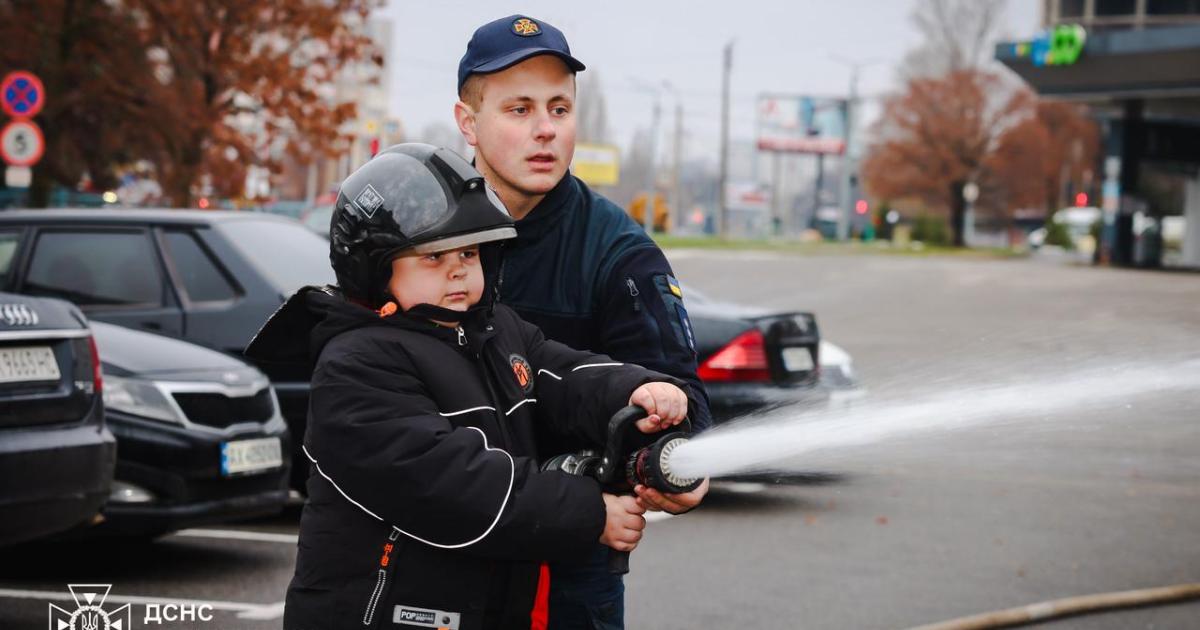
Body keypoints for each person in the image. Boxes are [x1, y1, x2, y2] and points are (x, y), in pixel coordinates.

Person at [246, 144, 699, 630]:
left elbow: (565, 376)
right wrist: (591, 514)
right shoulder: (355, 365)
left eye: (468, 251)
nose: (459, 268)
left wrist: (639, 392)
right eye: (434, 256)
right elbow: (451, 485)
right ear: (373, 268)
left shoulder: (497, 330)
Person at [453, 15, 713, 629]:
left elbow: (682, 397)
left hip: (569, 575)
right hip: (436, 557)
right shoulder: (421, 228)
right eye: (519, 109)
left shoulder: (619, 252)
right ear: (468, 122)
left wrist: (677, 461)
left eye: (560, 109)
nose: (546, 130)